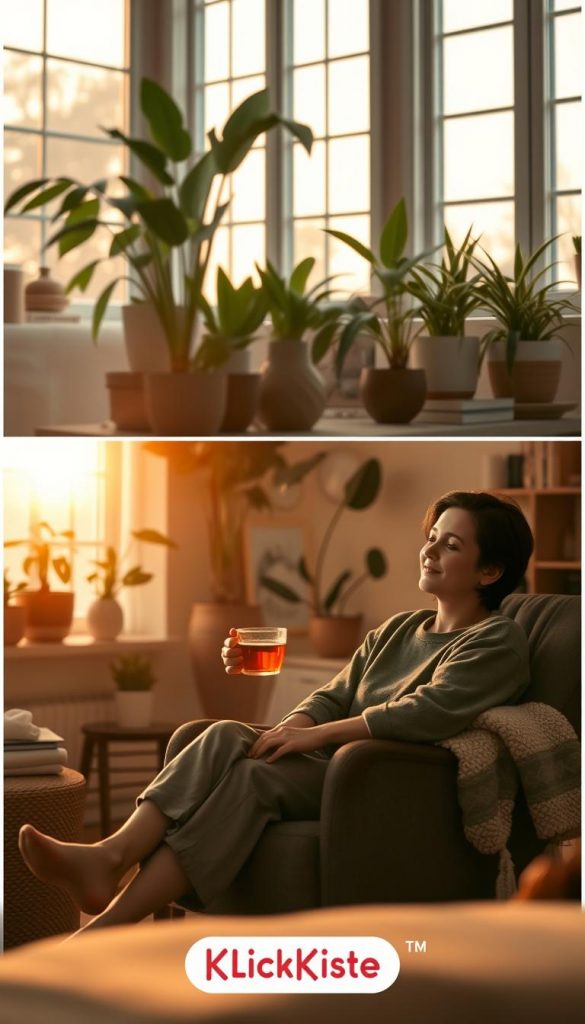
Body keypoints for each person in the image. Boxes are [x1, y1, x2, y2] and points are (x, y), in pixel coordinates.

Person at [18, 490, 534, 935]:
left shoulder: (496, 641)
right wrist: (294, 728)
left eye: (452, 545)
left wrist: (318, 738)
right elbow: (333, 693)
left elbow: (427, 711)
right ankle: (110, 856)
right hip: (334, 764)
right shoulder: (397, 629)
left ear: (490, 571)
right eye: (432, 537)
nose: (430, 550)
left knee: (253, 779)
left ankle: (109, 923)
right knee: (223, 734)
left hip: (382, 779)